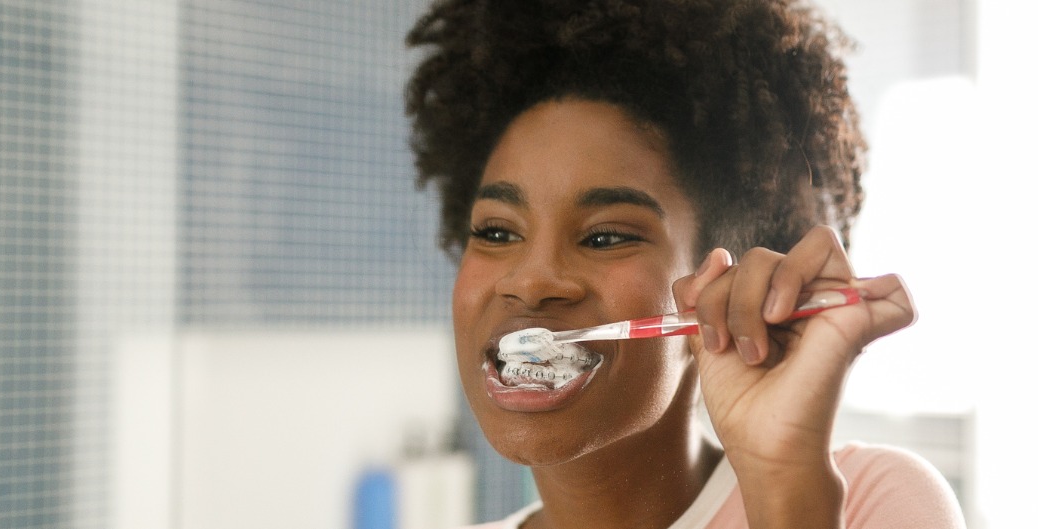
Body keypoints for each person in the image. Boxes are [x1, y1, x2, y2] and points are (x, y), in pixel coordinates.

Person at [405, 0, 965, 527]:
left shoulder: (873, 499)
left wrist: (783, 482)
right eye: (496, 232)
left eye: (604, 238)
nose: (530, 282)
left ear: (730, 280)